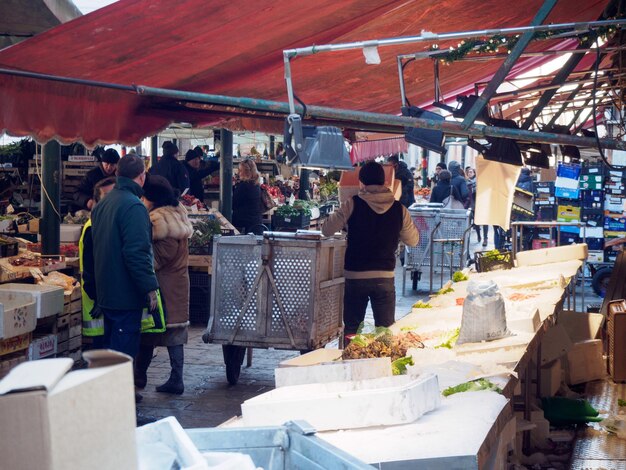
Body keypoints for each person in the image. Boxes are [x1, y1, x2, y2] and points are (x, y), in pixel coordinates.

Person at [322, 161, 419, 336]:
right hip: (384, 277)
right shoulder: (400, 209)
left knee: (352, 330)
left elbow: (326, 230)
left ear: (362, 182)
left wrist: (343, 213)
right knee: (385, 331)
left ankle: (349, 361)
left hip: (355, 275)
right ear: (384, 182)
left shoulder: (352, 204)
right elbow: (413, 241)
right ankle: (382, 362)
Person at [91, 155, 159, 361]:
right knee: (121, 357)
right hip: (125, 296)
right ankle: (116, 393)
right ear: (142, 176)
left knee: (111, 355)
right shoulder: (134, 207)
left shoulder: (103, 204)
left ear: (117, 174)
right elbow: (137, 253)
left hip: (106, 293)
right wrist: (150, 287)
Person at [134, 175, 193, 395]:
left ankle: (161, 379)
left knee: (161, 333)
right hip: (176, 284)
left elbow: (159, 257)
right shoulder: (177, 213)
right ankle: (149, 376)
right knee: (162, 333)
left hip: (166, 287)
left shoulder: (160, 221)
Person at [79, 176, 116, 349]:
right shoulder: (93, 227)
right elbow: (90, 267)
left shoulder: (108, 223)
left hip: (108, 302)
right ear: (96, 201)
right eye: (107, 196)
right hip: (98, 304)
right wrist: (98, 299)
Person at [233, 158, 263, 234]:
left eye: (240, 170)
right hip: (255, 224)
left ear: (247, 172)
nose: (238, 172)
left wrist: (233, 186)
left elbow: (233, 203)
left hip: (246, 227)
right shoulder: (255, 184)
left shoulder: (244, 186)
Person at [465, 167, 488, 245]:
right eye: (468, 172)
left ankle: (485, 239)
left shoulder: (479, 181)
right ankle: (479, 236)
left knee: (485, 221)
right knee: (476, 222)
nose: (469, 173)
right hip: (473, 204)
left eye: (471, 172)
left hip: (482, 203)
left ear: (474, 173)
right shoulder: (466, 182)